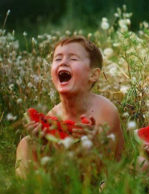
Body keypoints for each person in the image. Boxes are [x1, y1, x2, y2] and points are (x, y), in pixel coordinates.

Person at [16, 36, 124, 178]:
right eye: (58, 59)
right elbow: (57, 162)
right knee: (26, 143)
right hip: (66, 178)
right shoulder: (53, 115)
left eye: (73, 59)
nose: (63, 62)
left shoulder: (106, 111)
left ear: (93, 75)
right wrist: (43, 143)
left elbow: (112, 163)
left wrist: (96, 143)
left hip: (102, 181)